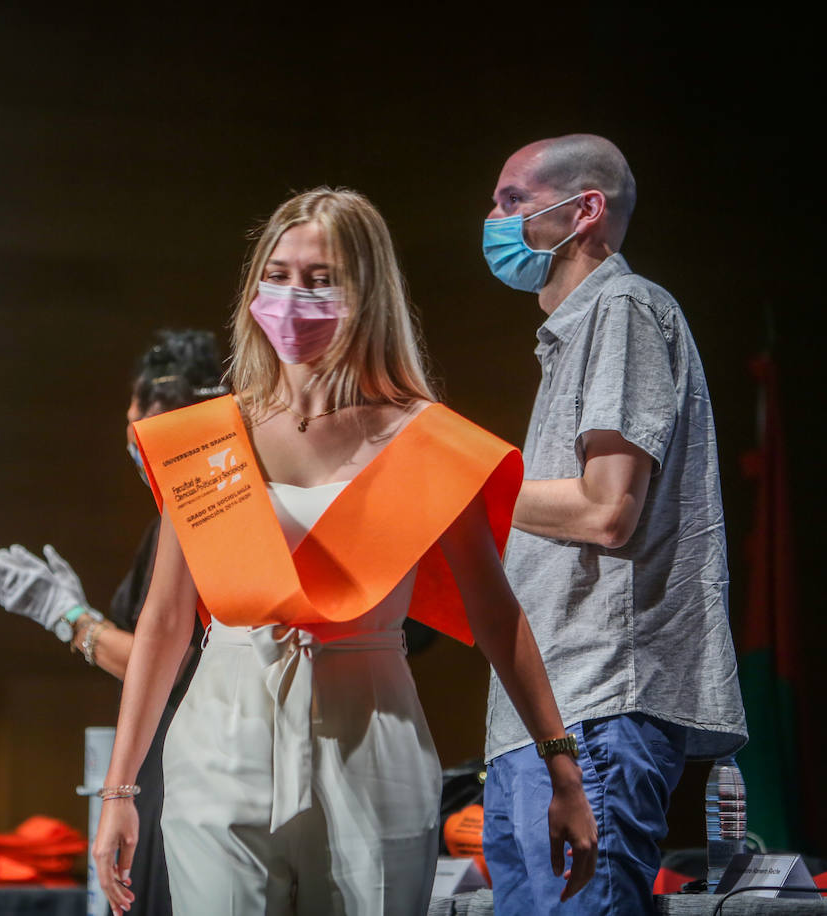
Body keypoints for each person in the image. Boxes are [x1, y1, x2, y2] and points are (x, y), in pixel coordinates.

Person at [92, 188, 597, 916]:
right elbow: (166, 623)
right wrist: (120, 790)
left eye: (321, 278)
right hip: (218, 744)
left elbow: (497, 614)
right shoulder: (204, 438)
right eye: (278, 273)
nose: (293, 296)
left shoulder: (426, 441)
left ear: (368, 293)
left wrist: (563, 768)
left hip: (374, 746)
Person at [479, 134, 748, 914]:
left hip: (595, 705)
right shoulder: (570, 337)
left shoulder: (623, 308)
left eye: (512, 201)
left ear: (584, 210)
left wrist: (464, 490)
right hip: (547, 714)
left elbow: (607, 510)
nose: (493, 220)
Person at [0, 329, 225, 916]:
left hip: (191, 773)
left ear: (162, 415)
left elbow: (170, 659)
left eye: (136, 409)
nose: (128, 424)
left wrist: (70, 619)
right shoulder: (189, 514)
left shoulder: (199, 510)